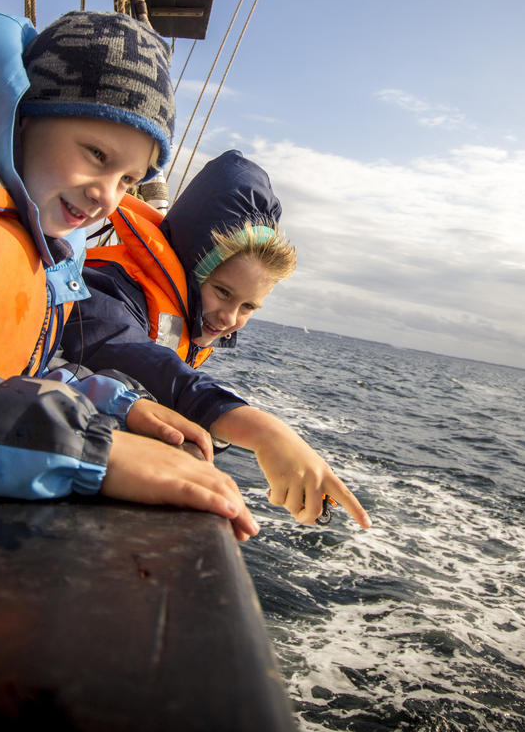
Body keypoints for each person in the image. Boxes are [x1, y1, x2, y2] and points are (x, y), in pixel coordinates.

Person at [0, 9, 258, 541]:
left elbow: (30, 363)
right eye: (96, 154)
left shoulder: (43, 240)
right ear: (25, 114)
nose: (107, 195)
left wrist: (115, 400)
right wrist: (96, 448)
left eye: (128, 179)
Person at [62, 150, 372, 529]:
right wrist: (265, 432)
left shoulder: (185, 316)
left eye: (248, 307)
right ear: (190, 267)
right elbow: (132, 354)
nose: (229, 319)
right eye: (222, 292)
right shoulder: (104, 291)